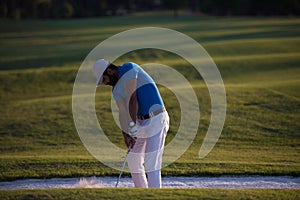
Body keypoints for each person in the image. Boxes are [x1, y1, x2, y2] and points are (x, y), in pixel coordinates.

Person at [93, 59, 169, 188]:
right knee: (133, 160)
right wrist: (126, 135)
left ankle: (155, 195)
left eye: (104, 79)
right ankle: (142, 192)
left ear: (110, 71)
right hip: (140, 121)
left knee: (151, 163)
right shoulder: (115, 90)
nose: (105, 83)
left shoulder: (129, 68)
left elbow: (133, 100)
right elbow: (123, 112)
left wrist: (132, 129)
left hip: (156, 118)